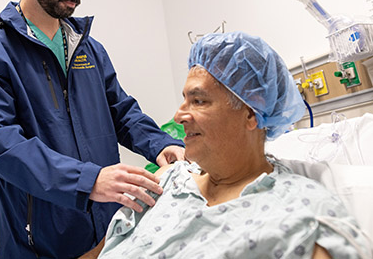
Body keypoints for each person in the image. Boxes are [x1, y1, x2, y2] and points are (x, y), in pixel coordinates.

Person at [0, 0, 184, 258]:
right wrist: (87, 181)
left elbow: (121, 111)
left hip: (106, 229)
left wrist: (161, 144)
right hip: (39, 240)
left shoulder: (88, 48)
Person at [82, 32, 371, 259]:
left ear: (250, 114)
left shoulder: (303, 210)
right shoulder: (165, 181)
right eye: (184, 99)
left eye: (198, 101)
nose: (178, 116)